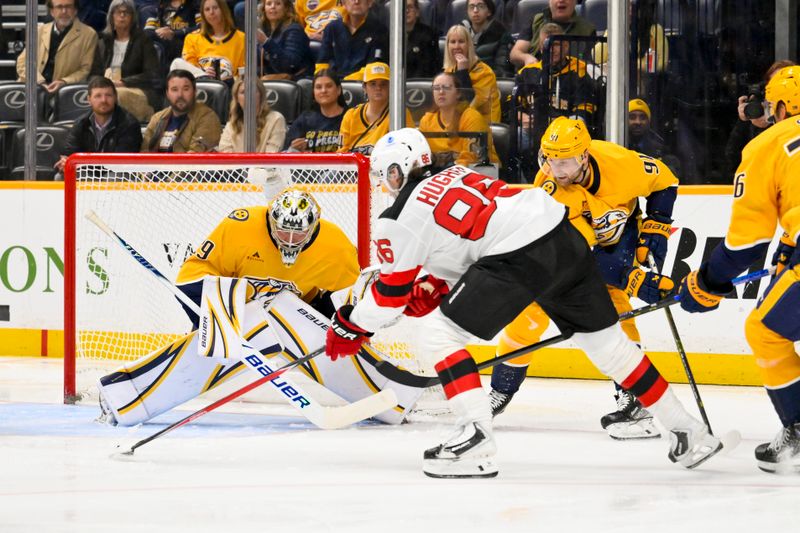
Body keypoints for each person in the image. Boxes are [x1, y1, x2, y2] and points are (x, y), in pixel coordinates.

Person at [324, 127, 727, 478]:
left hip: (518, 256)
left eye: (383, 175)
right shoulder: (459, 173)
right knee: (610, 347)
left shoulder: (397, 217)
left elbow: (390, 295)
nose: (383, 184)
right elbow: (462, 243)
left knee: (437, 335)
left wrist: (351, 323)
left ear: (396, 171)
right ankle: (688, 432)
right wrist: (436, 284)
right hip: (562, 234)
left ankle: (474, 436)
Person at [97, 187, 415, 428]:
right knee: (249, 323)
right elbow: (192, 278)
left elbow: (344, 303)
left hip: (290, 318)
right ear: (269, 220)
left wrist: (351, 326)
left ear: (314, 226)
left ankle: (394, 395)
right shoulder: (239, 226)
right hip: (229, 304)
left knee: (315, 328)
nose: (289, 238)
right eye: (283, 230)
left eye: (299, 232)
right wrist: (213, 322)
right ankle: (127, 397)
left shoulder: (336, 247)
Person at [488, 116, 679, 441]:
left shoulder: (622, 164)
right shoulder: (548, 191)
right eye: (550, 159)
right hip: (570, 247)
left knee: (615, 308)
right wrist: (631, 277)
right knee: (531, 310)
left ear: (584, 156)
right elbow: (576, 256)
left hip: (622, 230)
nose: (556, 169)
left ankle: (634, 398)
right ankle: (501, 388)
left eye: (564, 161)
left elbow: (666, 180)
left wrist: (657, 223)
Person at [677, 65, 800, 473]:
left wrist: (708, 281)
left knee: (765, 330)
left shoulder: (768, 144)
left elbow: (745, 248)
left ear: (781, 107)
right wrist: (787, 247)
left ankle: (798, 429)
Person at [513, 23, 597, 176]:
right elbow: (511, 105)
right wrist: (522, 117)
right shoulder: (528, 72)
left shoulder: (579, 70)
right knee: (515, 137)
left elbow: (585, 108)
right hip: (533, 130)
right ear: (540, 47)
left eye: (555, 44)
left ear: (565, 46)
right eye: (546, 44)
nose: (551, 48)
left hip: (566, 133)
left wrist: (565, 127)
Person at [722, 60, 796, 180]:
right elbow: (732, 161)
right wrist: (744, 120)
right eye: (772, 86)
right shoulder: (758, 114)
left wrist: (773, 122)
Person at [90, 0, 162, 122]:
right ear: (111, 17)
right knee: (93, 94)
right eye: (118, 12)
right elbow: (94, 73)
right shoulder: (103, 41)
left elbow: (152, 75)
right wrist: (100, 84)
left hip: (137, 90)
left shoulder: (144, 40)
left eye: (126, 12)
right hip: (107, 87)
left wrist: (123, 82)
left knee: (116, 94)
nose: (122, 16)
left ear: (133, 17)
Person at [54, 75, 142, 175]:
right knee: (60, 176)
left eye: (108, 95)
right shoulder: (81, 123)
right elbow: (70, 153)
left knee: (113, 177)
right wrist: (65, 161)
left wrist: (83, 165)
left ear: (115, 97)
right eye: (98, 96)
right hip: (88, 172)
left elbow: (121, 163)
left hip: (116, 174)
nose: (103, 100)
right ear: (89, 99)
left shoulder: (129, 124)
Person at [418, 71, 499, 169]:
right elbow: (421, 155)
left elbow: (472, 159)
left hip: (481, 173)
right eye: (436, 88)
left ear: (458, 93)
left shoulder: (471, 117)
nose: (441, 92)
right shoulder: (426, 121)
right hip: (440, 175)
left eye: (447, 87)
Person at [16, 0, 99, 94]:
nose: (64, 11)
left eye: (68, 7)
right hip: (33, 88)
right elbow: (23, 62)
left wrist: (64, 82)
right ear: (52, 11)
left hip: (65, 91)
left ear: (75, 10)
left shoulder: (89, 34)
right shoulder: (39, 31)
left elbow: (85, 70)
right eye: (59, 7)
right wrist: (39, 81)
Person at [337, 62, 413, 156]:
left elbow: (409, 150)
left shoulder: (400, 113)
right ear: (364, 87)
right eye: (373, 84)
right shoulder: (351, 115)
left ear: (391, 87)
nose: (378, 88)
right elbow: (342, 154)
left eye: (383, 84)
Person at [142, 69, 222, 152]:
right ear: (167, 94)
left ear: (195, 91)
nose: (180, 95)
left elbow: (195, 157)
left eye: (186, 89)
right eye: (174, 89)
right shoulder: (157, 118)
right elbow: (144, 153)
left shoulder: (207, 118)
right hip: (154, 164)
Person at [171, 0, 245, 83]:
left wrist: (226, 75)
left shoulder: (241, 38)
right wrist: (204, 73)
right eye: (207, 9)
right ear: (203, 14)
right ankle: (205, 77)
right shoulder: (192, 38)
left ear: (223, 10)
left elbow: (243, 73)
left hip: (229, 86)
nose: (211, 12)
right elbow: (189, 71)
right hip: (200, 86)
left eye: (215, 8)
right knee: (177, 63)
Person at [509, 0, 595, 69]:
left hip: (571, 80)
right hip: (536, 77)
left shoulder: (587, 30)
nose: (561, 0)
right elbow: (515, 53)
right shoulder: (536, 21)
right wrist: (526, 58)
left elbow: (589, 65)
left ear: (575, 2)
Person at [443, 24, 501, 126]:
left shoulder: (485, 73)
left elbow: (469, 106)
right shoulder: (448, 71)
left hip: (483, 129)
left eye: (461, 41)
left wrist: (463, 72)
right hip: (456, 127)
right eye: (452, 42)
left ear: (469, 45)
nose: (456, 46)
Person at [315, 0, 388, 81]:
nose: (356, 1)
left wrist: (344, 82)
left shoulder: (380, 30)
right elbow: (322, 63)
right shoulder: (331, 28)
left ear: (370, 3)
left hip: (364, 84)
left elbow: (374, 67)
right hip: (333, 85)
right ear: (343, 3)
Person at [284, 69, 346, 153]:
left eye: (329, 86)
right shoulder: (304, 120)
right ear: (313, 93)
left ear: (338, 90)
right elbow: (285, 153)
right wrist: (294, 149)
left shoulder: (350, 117)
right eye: (318, 87)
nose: (323, 91)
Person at [218, 78, 286, 153]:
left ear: (261, 95)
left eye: (253, 91)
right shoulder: (231, 124)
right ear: (237, 98)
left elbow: (270, 156)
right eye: (243, 92)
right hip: (237, 165)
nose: (248, 96)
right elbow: (225, 156)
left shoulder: (276, 119)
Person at [255, 0, 313, 80]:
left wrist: (266, 42)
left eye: (278, 3)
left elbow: (290, 64)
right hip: (268, 79)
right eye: (269, 4)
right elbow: (257, 64)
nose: (273, 7)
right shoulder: (264, 30)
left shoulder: (294, 30)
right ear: (264, 9)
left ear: (286, 8)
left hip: (295, 79)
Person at [460, 0, 513, 78]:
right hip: (461, 80)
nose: (475, 11)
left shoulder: (501, 34)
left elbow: (502, 71)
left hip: (489, 82)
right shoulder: (460, 31)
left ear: (489, 12)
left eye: (480, 6)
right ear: (467, 11)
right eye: (471, 7)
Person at [143, 0, 201, 66]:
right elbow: (147, 32)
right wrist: (160, 32)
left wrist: (174, 33)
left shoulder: (194, 4)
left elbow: (201, 28)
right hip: (165, 47)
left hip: (187, 45)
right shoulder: (160, 6)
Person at [405, 0, 439, 79]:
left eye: (410, 7)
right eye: (403, 8)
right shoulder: (391, 35)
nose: (406, 11)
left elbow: (428, 68)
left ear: (417, 12)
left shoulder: (429, 35)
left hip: (419, 84)